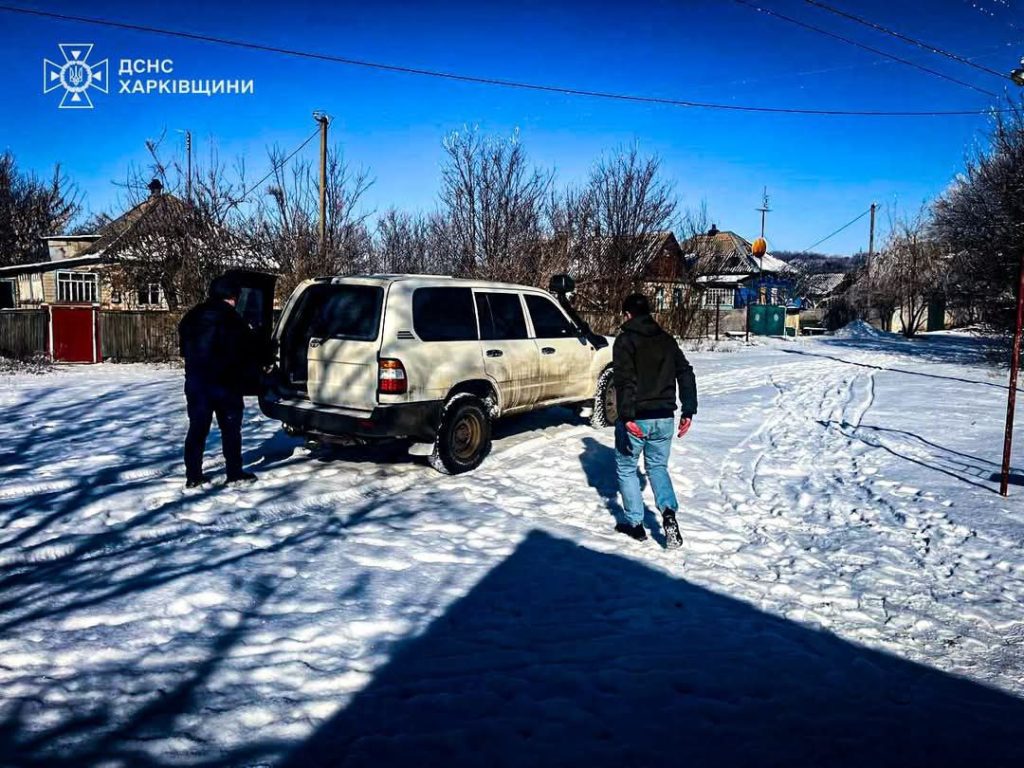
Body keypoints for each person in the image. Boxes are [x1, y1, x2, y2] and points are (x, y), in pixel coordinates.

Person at [612, 293, 697, 548]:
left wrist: (626, 416)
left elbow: (625, 380)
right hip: (664, 418)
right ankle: (668, 514)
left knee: (627, 467)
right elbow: (686, 372)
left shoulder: (625, 341)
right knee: (657, 468)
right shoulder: (667, 340)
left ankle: (636, 525)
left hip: (637, 419)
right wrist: (688, 410)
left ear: (628, 314)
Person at [178, 274, 260, 488]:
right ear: (232, 296)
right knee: (231, 430)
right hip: (226, 384)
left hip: (197, 384)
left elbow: (184, 349)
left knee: (197, 429)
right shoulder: (234, 319)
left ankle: (193, 476)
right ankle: (234, 472)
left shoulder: (191, 316)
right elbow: (247, 351)